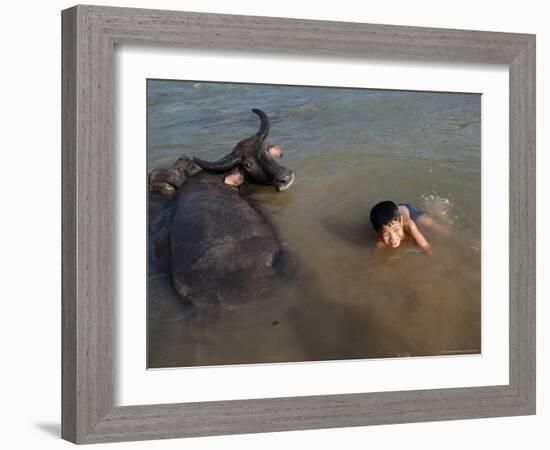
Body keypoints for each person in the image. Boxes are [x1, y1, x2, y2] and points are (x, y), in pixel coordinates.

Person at [370, 200, 448, 255]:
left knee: (431, 224)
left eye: (396, 230)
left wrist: (432, 258)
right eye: (386, 234)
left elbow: (426, 247)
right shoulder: (380, 239)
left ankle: (447, 230)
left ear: (401, 222)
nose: (393, 238)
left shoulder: (409, 226)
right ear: (378, 233)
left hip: (407, 210)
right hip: (394, 213)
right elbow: (375, 253)